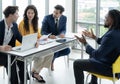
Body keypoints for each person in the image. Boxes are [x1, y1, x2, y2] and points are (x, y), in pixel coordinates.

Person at [73, 9, 120, 84]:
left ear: (112, 19)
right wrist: (94, 37)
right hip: (114, 65)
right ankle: (93, 82)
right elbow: (103, 42)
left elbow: (97, 55)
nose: (104, 18)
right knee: (91, 56)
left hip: (109, 68)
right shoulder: (115, 31)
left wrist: (85, 43)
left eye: (106, 17)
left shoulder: (111, 35)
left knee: (77, 63)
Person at [17, 5, 53, 83]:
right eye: (28, 13)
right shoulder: (22, 23)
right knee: (41, 56)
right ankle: (35, 73)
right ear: (26, 13)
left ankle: (35, 72)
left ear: (35, 14)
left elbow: (38, 35)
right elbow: (22, 39)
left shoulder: (35, 22)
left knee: (50, 53)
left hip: (34, 47)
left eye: (32, 13)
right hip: (25, 49)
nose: (30, 15)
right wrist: (35, 42)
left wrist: (43, 37)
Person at [41, 4, 70, 71]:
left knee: (67, 51)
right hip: (49, 40)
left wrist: (63, 33)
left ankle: (51, 59)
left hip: (59, 40)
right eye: (54, 12)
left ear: (61, 14)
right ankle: (52, 61)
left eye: (56, 13)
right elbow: (42, 31)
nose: (54, 14)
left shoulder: (64, 18)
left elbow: (64, 29)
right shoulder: (47, 18)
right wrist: (49, 36)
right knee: (55, 50)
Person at [0, 6, 24, 84]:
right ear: (10, 15)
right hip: (1, 53)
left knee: (22, 59)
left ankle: (23, 82)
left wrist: (34, 42)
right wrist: (1, 48)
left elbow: (21, 39)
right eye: (16, 13)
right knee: (10, 60)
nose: (18, 15)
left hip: (9, 53)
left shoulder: (14, 26)